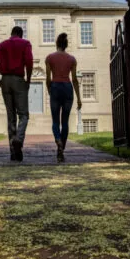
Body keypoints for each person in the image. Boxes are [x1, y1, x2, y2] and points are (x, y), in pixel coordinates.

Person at [0, 26, 33, 162]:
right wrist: (28, 80)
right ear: (21, 34)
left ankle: (14, 153)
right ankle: (18, 140)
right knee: (24, 115)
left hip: (5, 80)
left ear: (11, 34)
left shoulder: (1, 45)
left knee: (11, 116)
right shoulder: (25, 44)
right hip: (19, 80)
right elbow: (29, 63)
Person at [45, 33, 82, 162]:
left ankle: (58, 141)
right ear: (66, 45)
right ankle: (62, 147)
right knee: (65, 121)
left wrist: (50, 90)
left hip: (55, 87)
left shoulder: (49, 58)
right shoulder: (72, 59)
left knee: (55, 121)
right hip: (67, 88)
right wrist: (78, 98)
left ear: (57, 44)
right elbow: (75, 79)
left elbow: (48, 78)